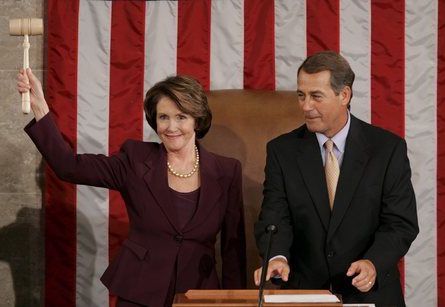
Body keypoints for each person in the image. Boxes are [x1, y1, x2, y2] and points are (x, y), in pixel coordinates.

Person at [17, 69, 246, 307]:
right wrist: (40, 107)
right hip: (141, 292)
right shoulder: (135, 160)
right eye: (163, 117)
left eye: (181, 117)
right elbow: (68, 166)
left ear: (197, 120)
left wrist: (236, 301)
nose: (171, 127)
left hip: (199, 293)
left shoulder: (226, 171)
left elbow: (233, 247)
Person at [253, 50, 419, 306]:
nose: (305, 106)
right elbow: (274, 217)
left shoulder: (387, 149)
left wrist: (373, 262)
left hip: (369, 292)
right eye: (301, 95)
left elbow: (400, 223)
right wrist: (277, 257)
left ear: (344, 95)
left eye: (316, 96)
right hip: (304, 293)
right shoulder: (281, 151)